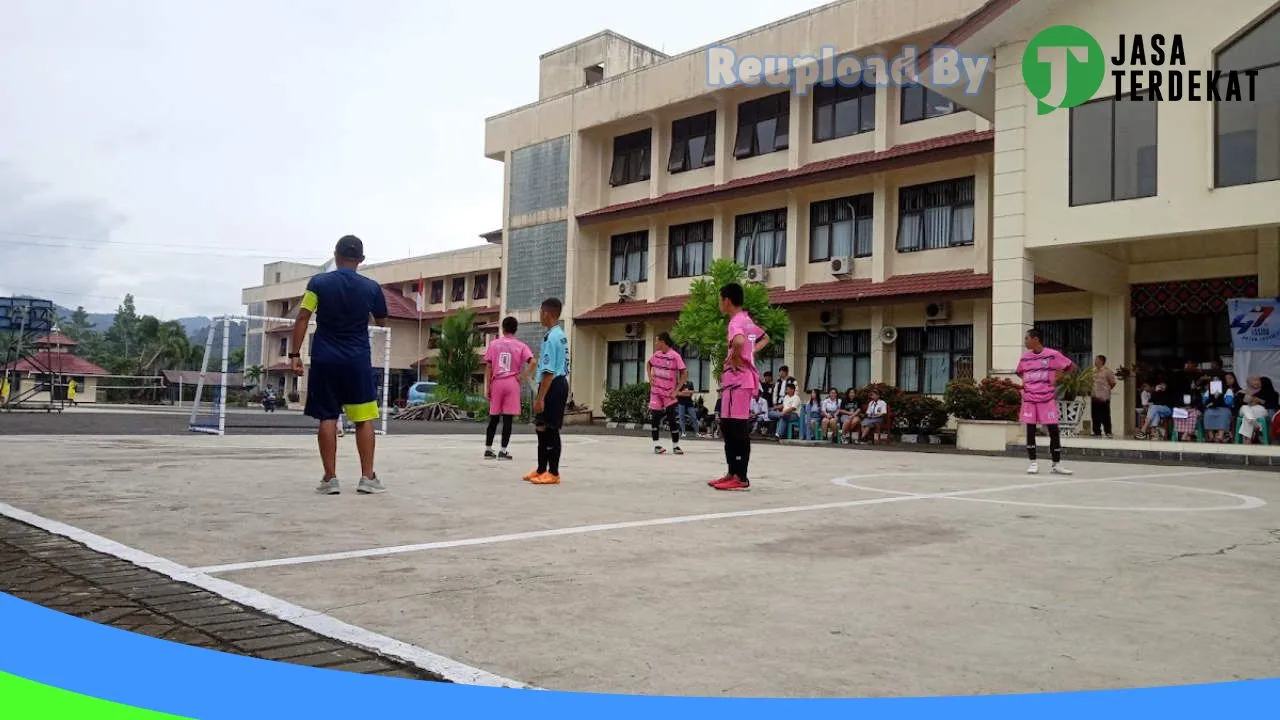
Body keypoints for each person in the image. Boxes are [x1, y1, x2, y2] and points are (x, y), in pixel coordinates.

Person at [291, 235, 389, 495]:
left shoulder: (318, 283)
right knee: (364, 418)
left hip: (325, 359)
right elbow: (381, 321)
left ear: (335, 255)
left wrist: (294, 355)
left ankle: (330, 478)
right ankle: (367, 477)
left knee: (327, 417)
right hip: (357, 361)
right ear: (362, 259)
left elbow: (303, 317)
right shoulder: (371, 288)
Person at [710, 283, 769, 491]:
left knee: (736, 427)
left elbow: (738, 341)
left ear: (726, 301)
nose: (719, 303)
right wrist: (750, 353)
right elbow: (764, 338)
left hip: (739, 381)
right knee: (727, 425)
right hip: (735, 383)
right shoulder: (746, 320)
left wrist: (738, 357)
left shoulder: (736, 321)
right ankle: (731, 472)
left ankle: (741, 476)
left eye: (720, 299)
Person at [524, 298, 570, 485]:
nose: (540, 316)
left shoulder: (553, 338)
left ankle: (554, 472)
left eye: (541, 312)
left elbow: (549, 373)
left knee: (551, 429)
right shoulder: (556, 334)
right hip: (552, 384)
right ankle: (542, 468)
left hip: (554, 385)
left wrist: (540, 398)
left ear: (547, 313)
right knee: (541, 428)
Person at [1016, 328, 1074, 475]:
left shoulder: (1052, 355)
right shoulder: (1025, 357)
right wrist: (1026, 385)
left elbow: (1069, 366)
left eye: (1026, 338)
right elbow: (1020, 372)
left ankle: (1056, 464)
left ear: (1035, 339)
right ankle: (1033, 462)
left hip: (1046, 399)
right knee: (1030, 430)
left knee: (1053, 430)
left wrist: (1056, 379)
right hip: (1030, 399)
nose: (1025, 341)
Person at [483, 316, 535, 461]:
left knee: (493, 417)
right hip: (512, 382)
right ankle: (503, 451)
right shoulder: (520, 345)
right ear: (515, 329)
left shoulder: (494, 344)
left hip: (497, 381)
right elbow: (533, 361)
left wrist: (489, 386)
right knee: (508, 419)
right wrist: (523, 376)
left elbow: (488, 366)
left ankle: (488, 449)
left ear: (503, 328)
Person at [647, 332, 688, 455]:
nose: (655, 343)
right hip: (656, 392)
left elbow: (684, 373)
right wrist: (650, 378)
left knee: (671, 419)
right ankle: (656, 445)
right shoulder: (656, 355)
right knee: (655, 417)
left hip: (669, 393)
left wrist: (677, 390)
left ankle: (676, 446)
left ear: (663, 342)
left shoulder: (675, 356)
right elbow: (648, 364)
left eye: (656, 341)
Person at [1237, 376, 1279, 444]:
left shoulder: (1273, 394)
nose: (1256, 383)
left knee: (1246, 419)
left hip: (1258, 411)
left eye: (1259, 381)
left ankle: (1246, 446)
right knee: (1245, 407)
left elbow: (1271, 405)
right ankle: (1254, 423)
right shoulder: (1251, 391)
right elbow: (1244, 401)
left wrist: (1259, 400)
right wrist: (1249, 393)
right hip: (1248, 410)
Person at [1090, 355, 1117, 438]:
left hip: (1104, 397)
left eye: (1097, 360)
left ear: (1101, 361)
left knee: (1105, 415)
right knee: (1094, 415)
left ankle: (1108, 431)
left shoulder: (1107, 371)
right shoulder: (1093, 371)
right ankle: (1096, 431)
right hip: (1094, 396)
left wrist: (1106, 390)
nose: (1095, 361)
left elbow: (1113, 383)